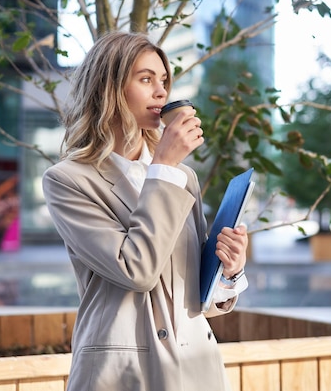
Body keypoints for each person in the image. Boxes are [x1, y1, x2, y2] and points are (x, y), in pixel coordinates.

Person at [42, 31, 249, 391]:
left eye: (164, 81)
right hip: (124, 372)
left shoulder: (183, 176)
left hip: (197, 368)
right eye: (145, 79)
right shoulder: (69, 180)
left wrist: (229, 272)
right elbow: (136, 270)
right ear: (109, 88)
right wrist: (164, 166)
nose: (161, 92)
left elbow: (193, 294)